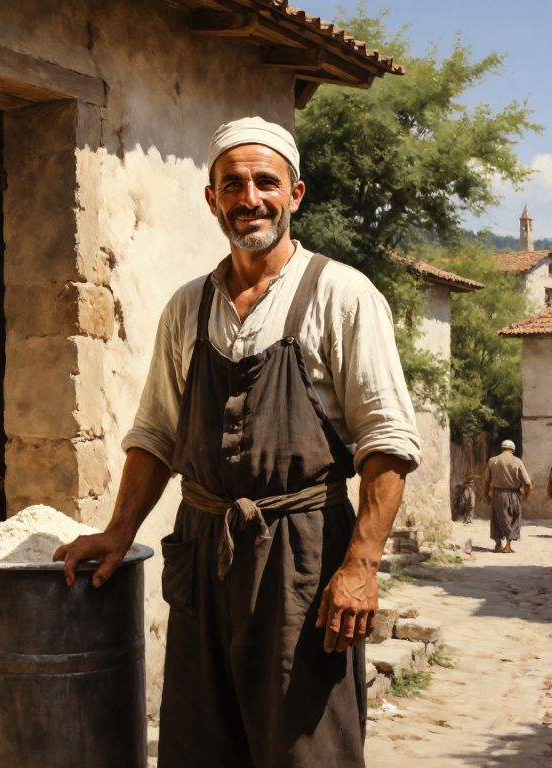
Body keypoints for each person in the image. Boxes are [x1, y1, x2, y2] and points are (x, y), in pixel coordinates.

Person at [53, 116, 421, 768]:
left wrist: (361, 566)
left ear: (295, 194)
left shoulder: (341, 294)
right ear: (212, 198)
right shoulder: (187, 308)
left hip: (302, 557)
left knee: (308, 749)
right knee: (200, 745)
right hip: (202, 552)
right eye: (233, 184)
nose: (249, 197)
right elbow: (154, 437)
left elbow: (386, 442)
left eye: (265, 182)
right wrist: (117, 530)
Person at [483, 439, 531, 553]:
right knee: (513, 518)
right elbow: (528, 482)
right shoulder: (517, 461)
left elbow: (486, 481)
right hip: (513, 494)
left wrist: (486, 495)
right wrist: (526, 494)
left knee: (496, 518)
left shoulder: (492, 460)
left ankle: (498, 544)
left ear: (502, 448)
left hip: (497, 494)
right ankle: (508, 545)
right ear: (513, 449)